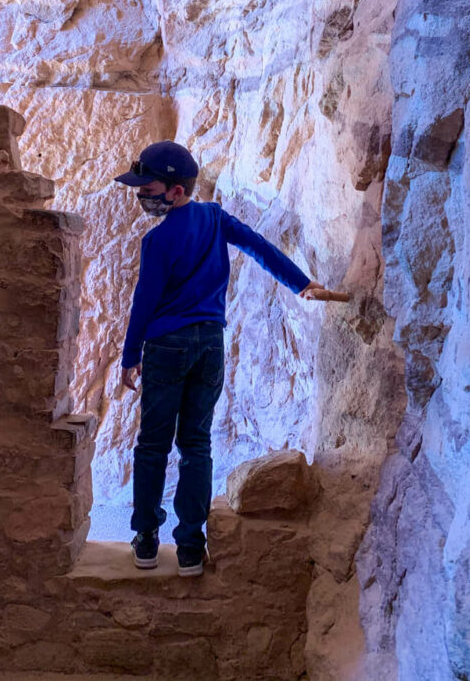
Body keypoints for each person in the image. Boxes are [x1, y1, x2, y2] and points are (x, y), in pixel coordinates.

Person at [114, 140, 349, 577]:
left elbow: (143, 303)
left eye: (148, 186)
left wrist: (129, 356)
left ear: (176, 191)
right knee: (196, 444)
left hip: (167, 347)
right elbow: (261, 248)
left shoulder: (157, 240)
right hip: (210, 345)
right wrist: (300, 283)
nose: (140, 193)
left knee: (152, 445)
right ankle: (189, 546)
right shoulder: (215, 218)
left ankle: (146, 539)